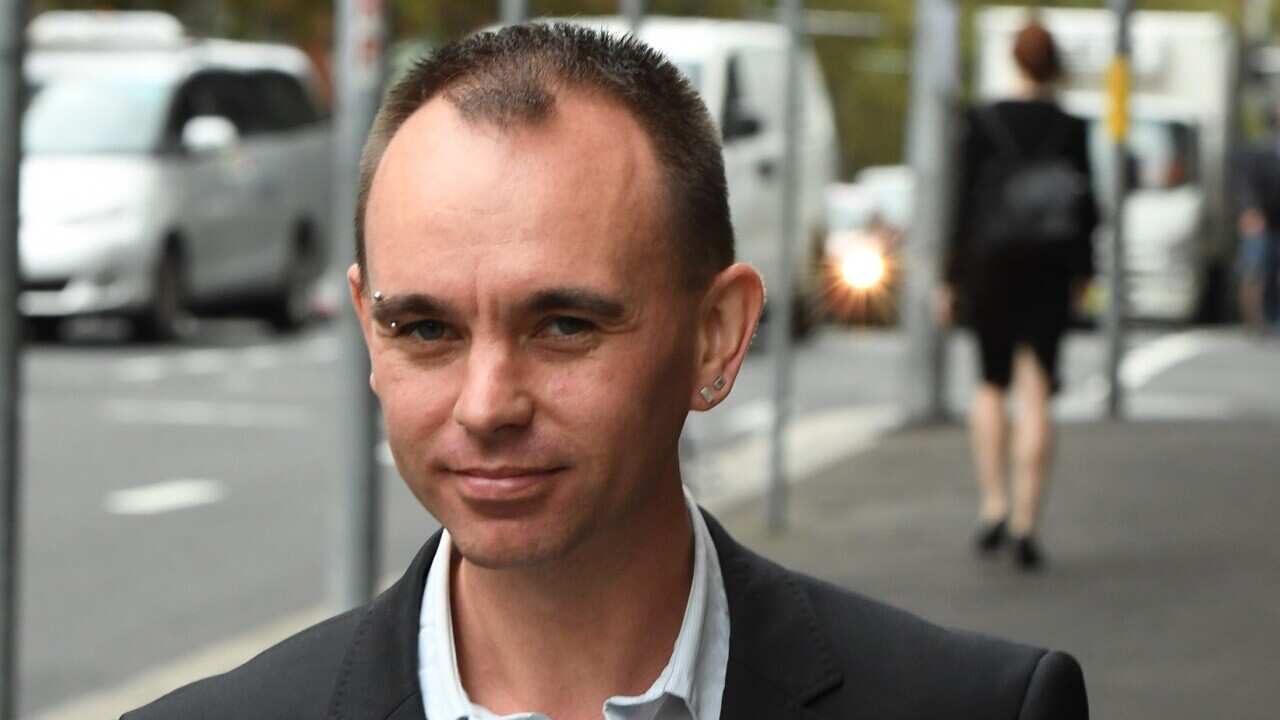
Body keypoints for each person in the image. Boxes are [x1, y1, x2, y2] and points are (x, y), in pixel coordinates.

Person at [126, 23, 1088, 719]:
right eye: (424, 328)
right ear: (367, 333)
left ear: (717, 336)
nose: (486, 405)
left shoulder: (977, 706)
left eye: (564, 325)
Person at [938, 21, 1098, 571]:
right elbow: (1088, 210)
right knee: (1037, 392)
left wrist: (950, 278)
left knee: (990, 384)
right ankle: (1028, 521)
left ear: (1015, 60)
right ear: (1055, 65)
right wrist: (1083, 275)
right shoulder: (1071, 128)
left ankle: (994, 505)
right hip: (1050, 269)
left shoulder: (982, 121)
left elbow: (961, 204)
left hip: (990, 267)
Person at [1236, 107, 1280, 335]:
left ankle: (1274, 317)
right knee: (1256, 268)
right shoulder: (1260, 148)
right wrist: (1250, 210)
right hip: (1262, 220)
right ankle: (1255, 321)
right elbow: (1246, 183)